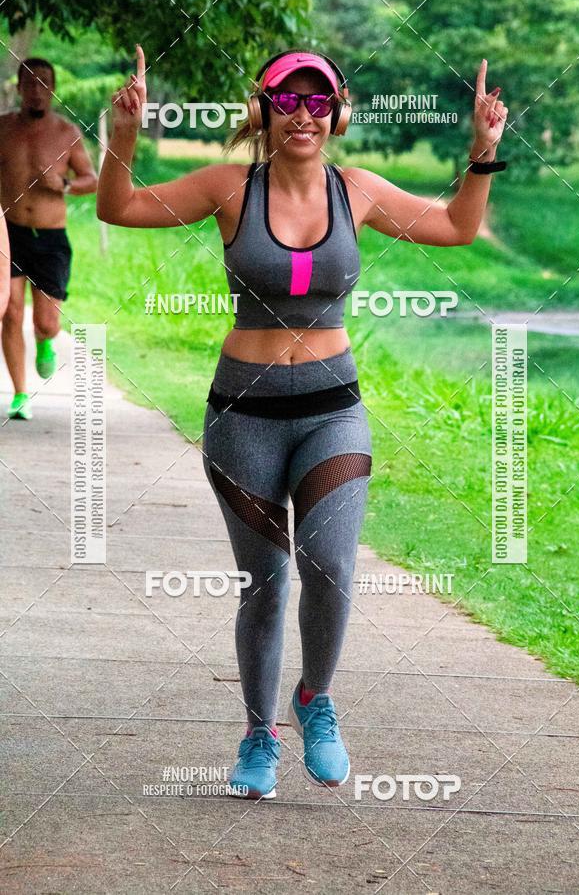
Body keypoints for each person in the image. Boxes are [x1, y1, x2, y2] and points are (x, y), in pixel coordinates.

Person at [97, 46, 507, 799]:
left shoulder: (358, 191)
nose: (304, 114)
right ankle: (259, 732)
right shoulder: (229, 189)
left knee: (333, 566)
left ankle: (316, 698)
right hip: (243, 415)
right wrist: (123, 141)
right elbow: (117, 207)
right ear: (262, 109)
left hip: (332, 411)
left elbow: (455, 227)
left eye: (319, 102)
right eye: (288, 99)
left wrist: (481, 156)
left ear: (339, 114)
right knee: (265, 583)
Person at [0, 57, 97, 420]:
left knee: (47, 323)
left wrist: (66, 185)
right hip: (8, 233)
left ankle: (45, 342)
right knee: (9, 312)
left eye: (44, 82)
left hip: (51, 237)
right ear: (19, 87)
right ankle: (20, 393)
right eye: (30, 82)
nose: (37, 89)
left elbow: (93, 179)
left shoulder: (67, 133)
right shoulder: (3, 128)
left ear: (53, 88)